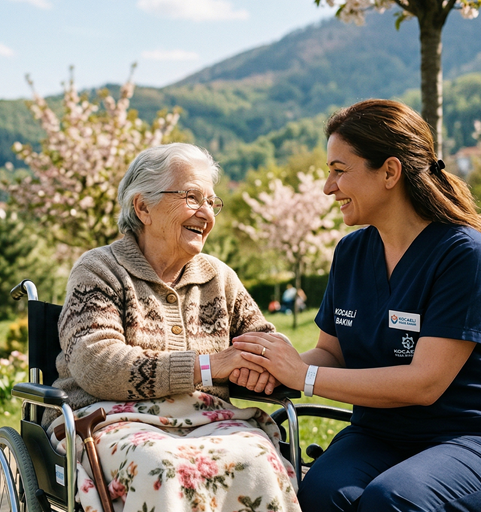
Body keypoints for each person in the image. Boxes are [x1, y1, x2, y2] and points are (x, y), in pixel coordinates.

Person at [232, 99, 481, 511]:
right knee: (318, 494)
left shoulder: (465, 255)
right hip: (379, 435)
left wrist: (303, 376)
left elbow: (424, 383)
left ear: (389, 171)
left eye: (340, 171)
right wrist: (273, 368)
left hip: (473, 443)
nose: (327, 187)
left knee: (388, 501)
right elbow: (331, 351)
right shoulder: (351, 252)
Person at [47, 143, 299, 512]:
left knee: (258, 459)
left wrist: (266, 366)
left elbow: (265, 342)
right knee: (162, 467)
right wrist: (211, 366)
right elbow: (97, 364)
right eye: (192, 197)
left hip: (207, 420)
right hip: (109, 419)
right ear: (143, 207)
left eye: (212, 202)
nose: (207, 213)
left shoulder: (219, 278)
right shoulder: (99, 270)